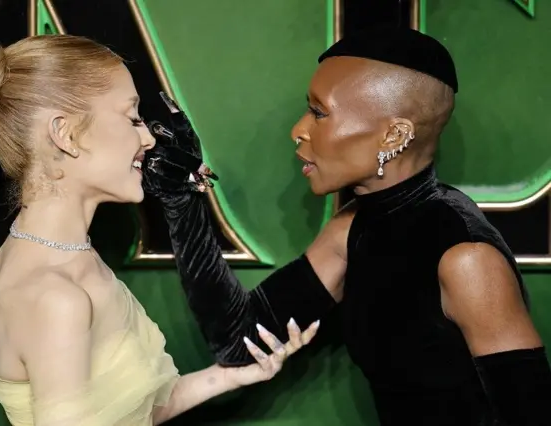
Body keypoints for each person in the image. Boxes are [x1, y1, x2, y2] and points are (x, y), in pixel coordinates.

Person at [142, 27, 551, 425]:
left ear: (394, 135)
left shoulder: (466, 258)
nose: (298, 130)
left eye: (319, 112)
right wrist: (182, 202)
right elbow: (241, 342)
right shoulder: (351, 230)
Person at [0, 34, 321, 426]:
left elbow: (127, 411)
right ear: (65, 134)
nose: (148, 137)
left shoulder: (57, 254)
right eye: (132, 117)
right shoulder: (54, 297)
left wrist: (233, 374)